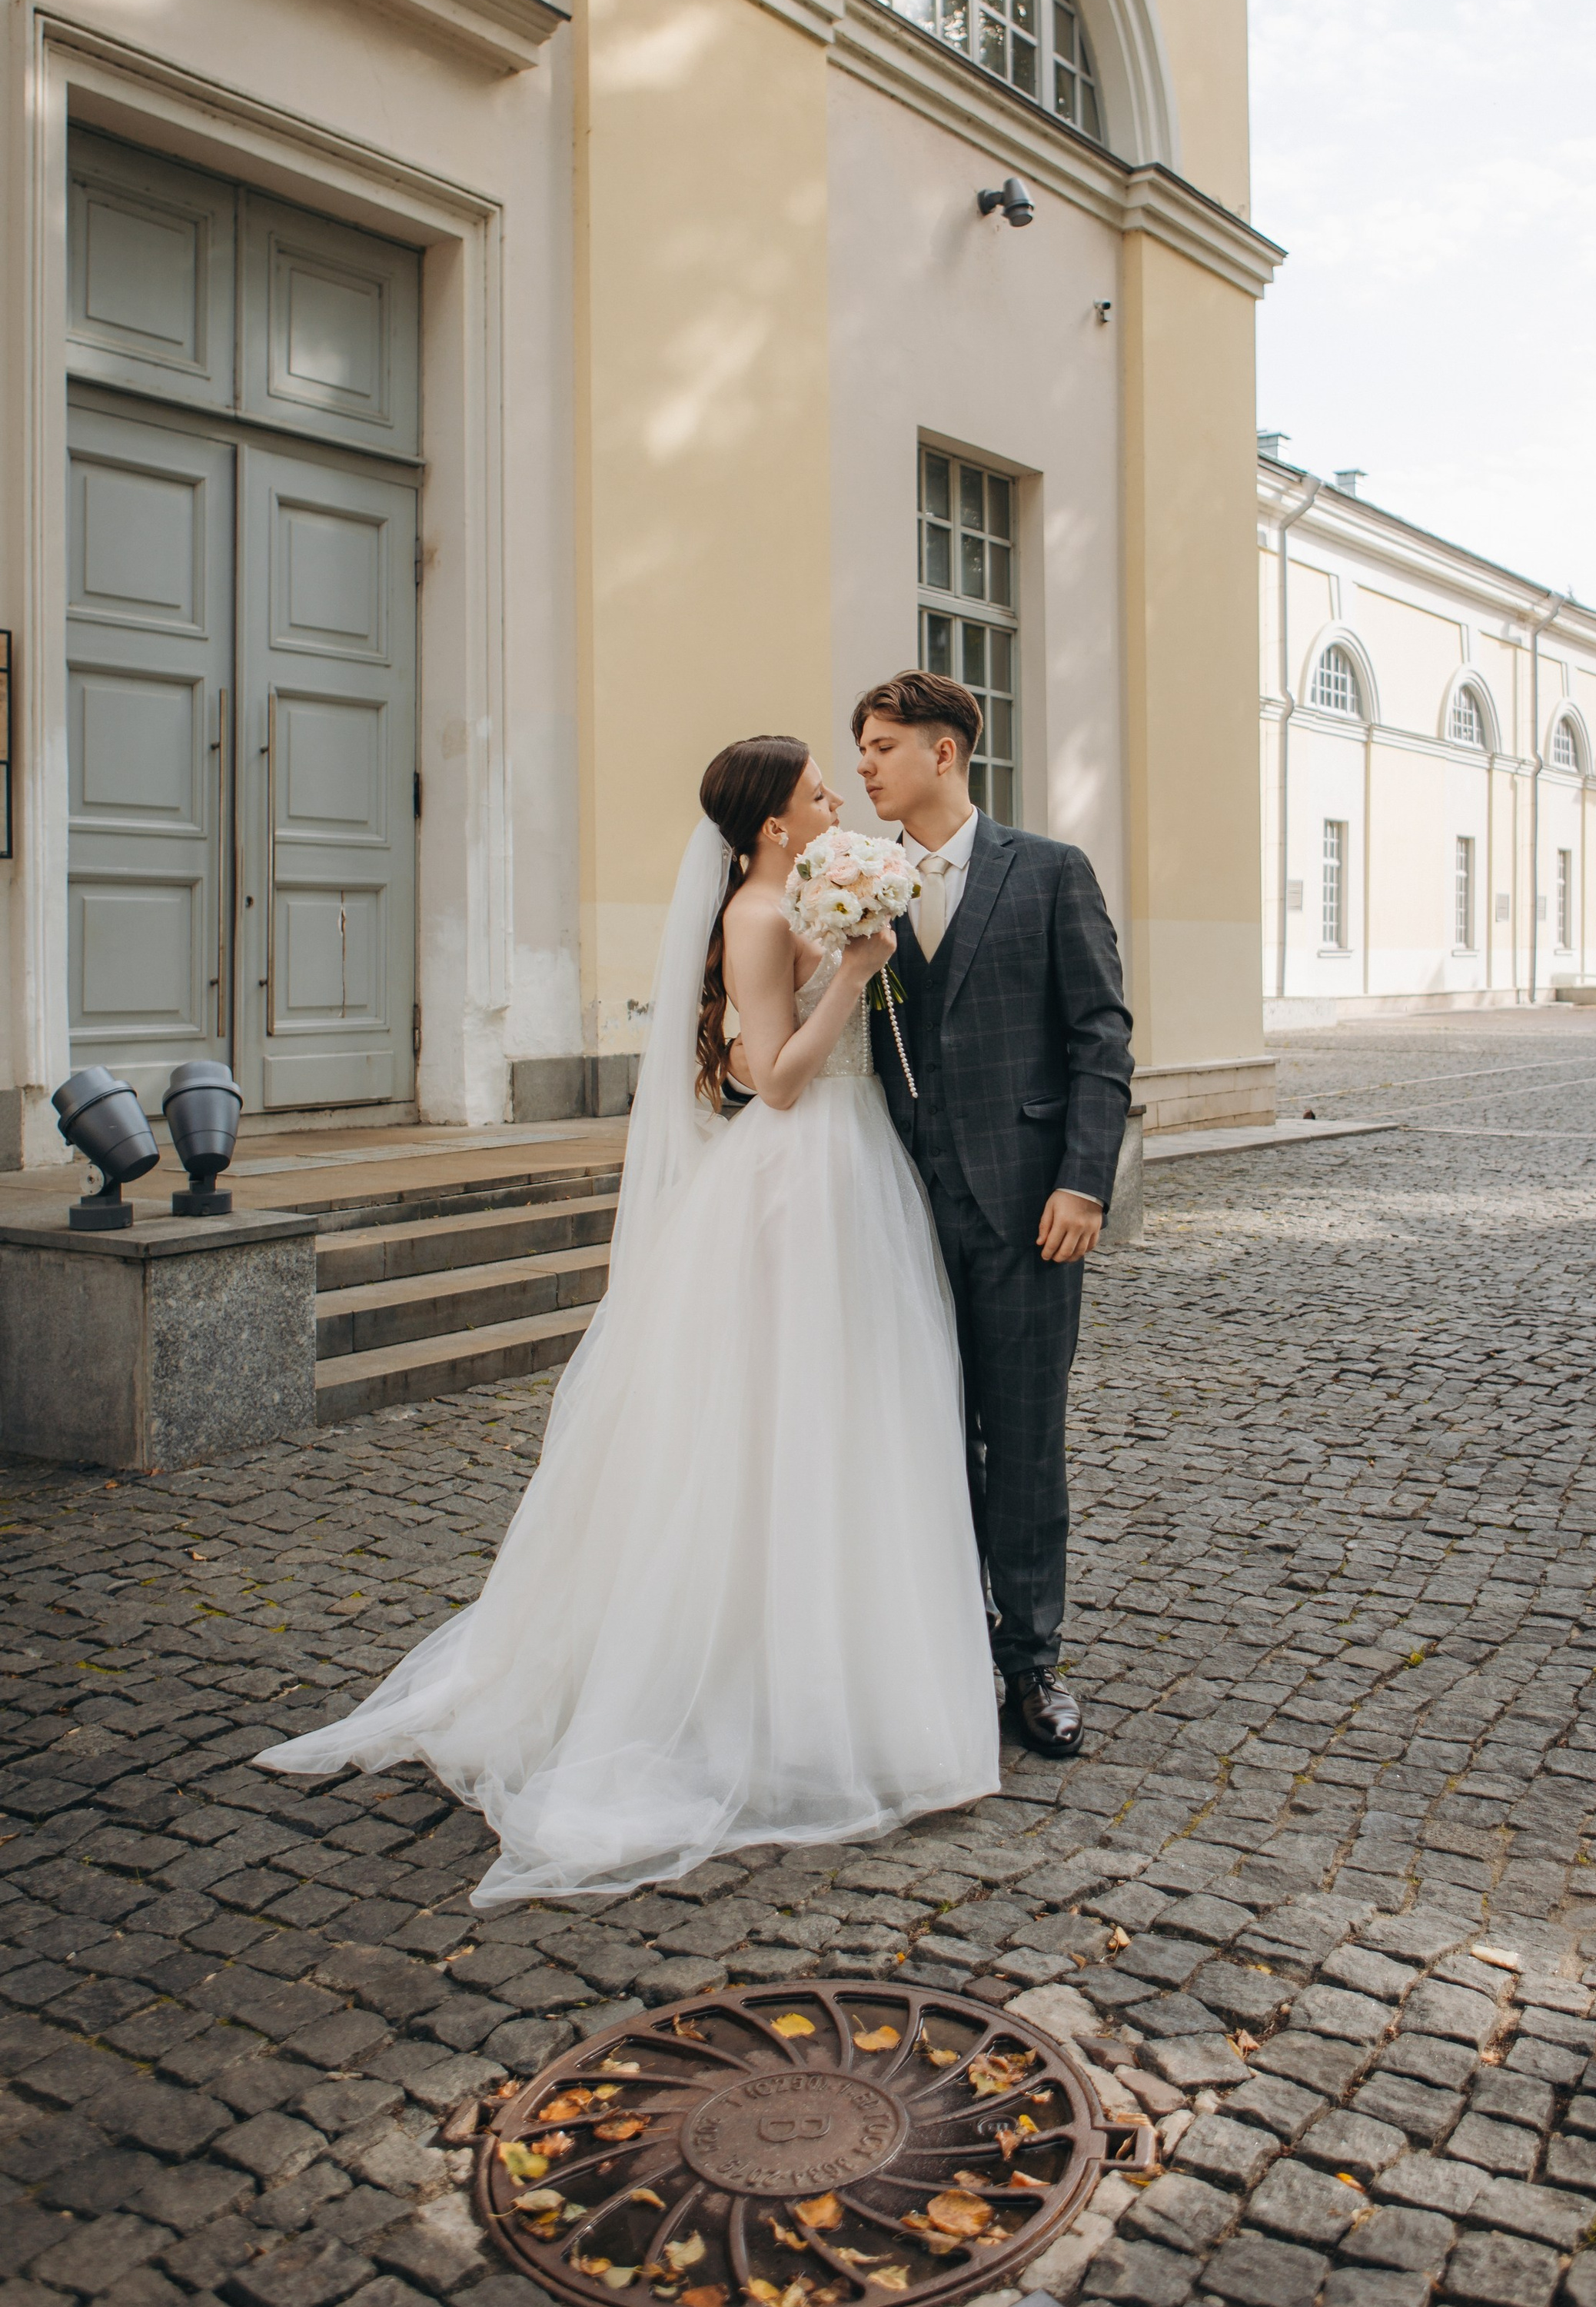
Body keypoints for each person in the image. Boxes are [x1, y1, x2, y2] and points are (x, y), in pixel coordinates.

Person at [255, 737, 1000, 1906]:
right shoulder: (760, 915)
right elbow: (775, 1077)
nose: (830, 800)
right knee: (779, 1423)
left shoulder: (796, 889)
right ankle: (751, 1688)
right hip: (802, 1174)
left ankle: (840, 1678)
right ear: (770, 825)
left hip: (857, 1174)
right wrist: (855, 972)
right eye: (813, 791)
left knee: (846, 1420)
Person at [854, 671, 1134, 1760]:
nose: (867, 765)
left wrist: (1084, 1179)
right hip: (897, 1212)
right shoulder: (861, 883)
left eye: (883, 745)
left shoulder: (1049, 872)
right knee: (920, 1444)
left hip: (1027, 1213)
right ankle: (936, 1650)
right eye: (862, 747)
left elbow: (1100, 1038)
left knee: (1022, 1447)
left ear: (946, 753)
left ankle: (1031, 1664)